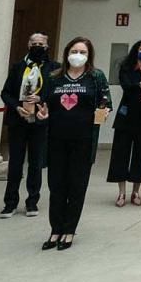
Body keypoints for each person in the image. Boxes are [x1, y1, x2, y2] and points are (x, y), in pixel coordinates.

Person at [36, 36, 112, 251]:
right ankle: (55, 229)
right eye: (75, 51)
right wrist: (42, 114)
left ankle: (69, 230)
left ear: (89, 56)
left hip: (83, 139)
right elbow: (44, 104)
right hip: (57, 138)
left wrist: (103, 112)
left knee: (77, 185)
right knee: (57, 185)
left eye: (83, 52)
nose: (78, 55)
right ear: (67, 53)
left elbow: (106, 102)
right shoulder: (54, 77)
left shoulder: (95, 77)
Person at [0, 32, 55, 219]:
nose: (37, 45)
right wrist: (16, 106)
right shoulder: (18, 67)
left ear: (47, 46)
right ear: (28, 44)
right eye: (34, 42)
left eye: (41, 43)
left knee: (36, 163)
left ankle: (32, 201)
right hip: (18, 121)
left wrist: (42, 99)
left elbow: (55, 92)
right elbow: (6, 93)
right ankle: (10, 202)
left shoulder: (53, 68)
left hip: (39, 121)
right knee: (15, 163)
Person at [107, 39, 141, 207]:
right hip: (126, 116)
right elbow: (126, 86)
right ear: (136, 50)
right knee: (121, 154)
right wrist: (140, 84)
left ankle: (136, 191)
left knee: (140, 155)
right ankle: (121, 192)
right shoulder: (127, 68)